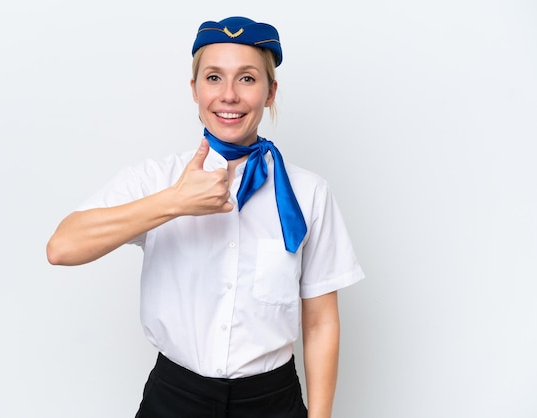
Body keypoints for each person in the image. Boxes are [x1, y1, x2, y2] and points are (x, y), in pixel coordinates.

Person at [46, 16, 364, 418]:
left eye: (247, 79)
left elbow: (320, 324)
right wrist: (173, 202)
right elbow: (62, 247)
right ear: (194, 89)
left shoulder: (309, 194)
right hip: (174, 399)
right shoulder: (157, 180)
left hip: (272, 402)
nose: (228, 95)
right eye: (214, 78)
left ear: (270, 92)